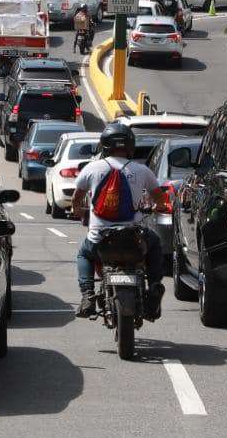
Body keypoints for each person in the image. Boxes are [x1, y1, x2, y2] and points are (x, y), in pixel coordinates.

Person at [70, 121, 166, 319]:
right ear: (130, 145)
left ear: (105, 144)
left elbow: (77, 197)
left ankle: (88, 294)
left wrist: (78, 211)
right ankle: (155, 286)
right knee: (155, 245)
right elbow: (160, 199)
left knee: (84, 254)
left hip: (100, 238)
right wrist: (157, 207)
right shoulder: (142, 170)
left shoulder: (92, 168)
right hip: (135, 237)